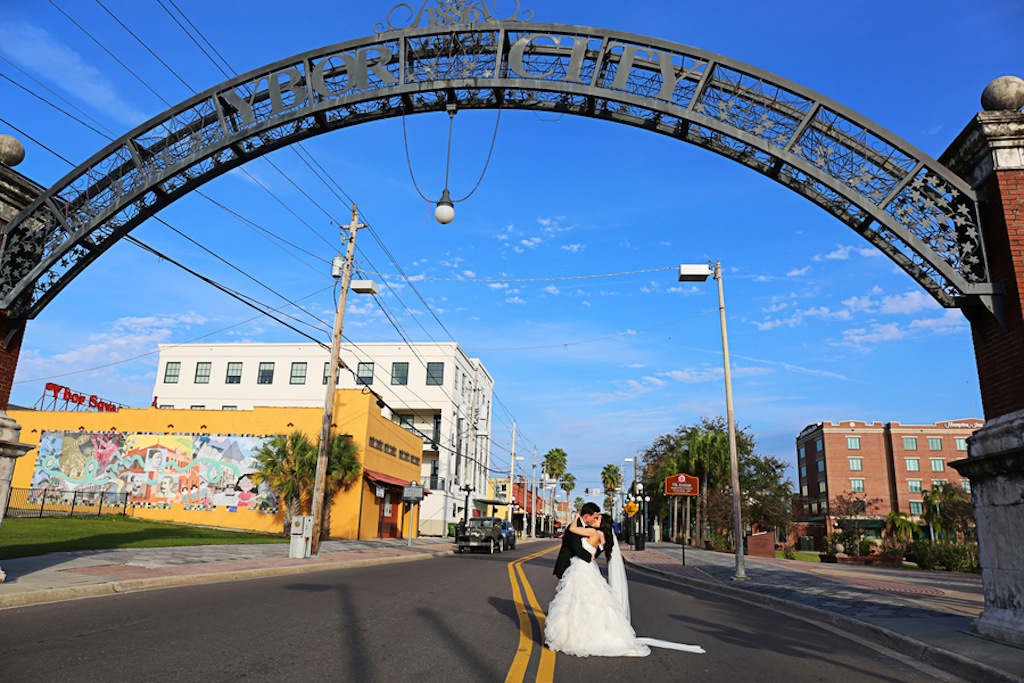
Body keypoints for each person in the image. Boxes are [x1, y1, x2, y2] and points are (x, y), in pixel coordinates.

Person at [546, 511, 705, 657]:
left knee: (579, 601)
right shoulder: (603, 537)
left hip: (582, 570)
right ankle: (585, 632)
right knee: (589, 603)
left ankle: (577, 635)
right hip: (587, 569)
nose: (594, 519)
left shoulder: (594, 533)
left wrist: (578, 515)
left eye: (598, 518)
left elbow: (573, 530)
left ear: (602, 523)